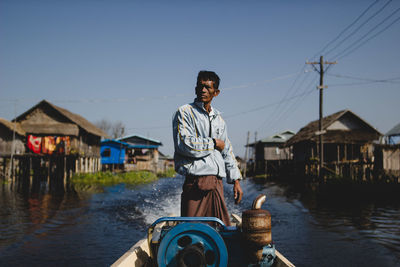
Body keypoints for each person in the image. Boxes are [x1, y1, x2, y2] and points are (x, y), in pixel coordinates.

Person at [172, 70, 243, 226]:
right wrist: (213, 143)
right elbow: (184, 144)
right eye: (200, 86)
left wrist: (236, 180)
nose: (203, 90)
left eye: (208, 87)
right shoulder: (184, 112)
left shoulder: (219, 120)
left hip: (217, 183)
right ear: (195, 88)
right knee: (192, 231)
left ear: (216, 92)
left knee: (220, 231)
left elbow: (227, 151)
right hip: (196, 182)